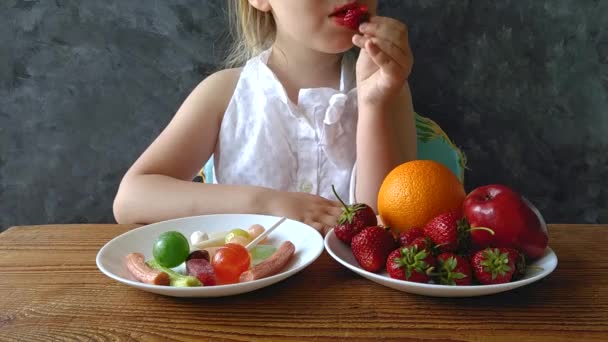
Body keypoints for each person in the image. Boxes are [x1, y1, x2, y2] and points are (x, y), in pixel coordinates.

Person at [113, 0, 417, 234]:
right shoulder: (224, 93)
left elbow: (385, 224)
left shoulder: (388, 89)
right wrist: (264, 204)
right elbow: (131, 198)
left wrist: (373, 104)